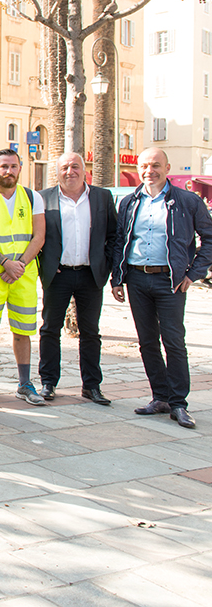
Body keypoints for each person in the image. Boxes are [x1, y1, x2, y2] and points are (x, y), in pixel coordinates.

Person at [111, 148, 212, 429]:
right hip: (137, 279)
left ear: (167, 167)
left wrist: (193, 274)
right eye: (144, 166)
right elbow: (120, 241)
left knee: (174, 342)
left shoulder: (187, 201)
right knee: (146, 342)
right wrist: (117, 278)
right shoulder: (129, 202)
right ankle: (161, 397)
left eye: (155, 165)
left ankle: (179, 403)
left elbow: (209, 238)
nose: (149, 171)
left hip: (171, 282)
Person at [37, 153, 118, 404]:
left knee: (91, 331)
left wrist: (105, 266)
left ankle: (91, 386)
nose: (69, 171)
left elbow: (114, 235)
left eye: (75, 166)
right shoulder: (43, 198)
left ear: (85, 170)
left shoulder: (102, 197)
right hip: (58, 275)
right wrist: (45, 266)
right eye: (64, 167)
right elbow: (35, 236)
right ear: (57, 172)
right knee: (50, 329)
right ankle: (48, 382)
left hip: (90, 275)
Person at [0, 149, 46, 405]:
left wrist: (19, 265)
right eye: (4, 166)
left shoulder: (33, 197)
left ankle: (25, 383)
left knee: (23, 329)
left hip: (23, 275)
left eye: (13, 166)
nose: (9, 171)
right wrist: (5, 263)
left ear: (20, 168)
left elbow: (39, 236)